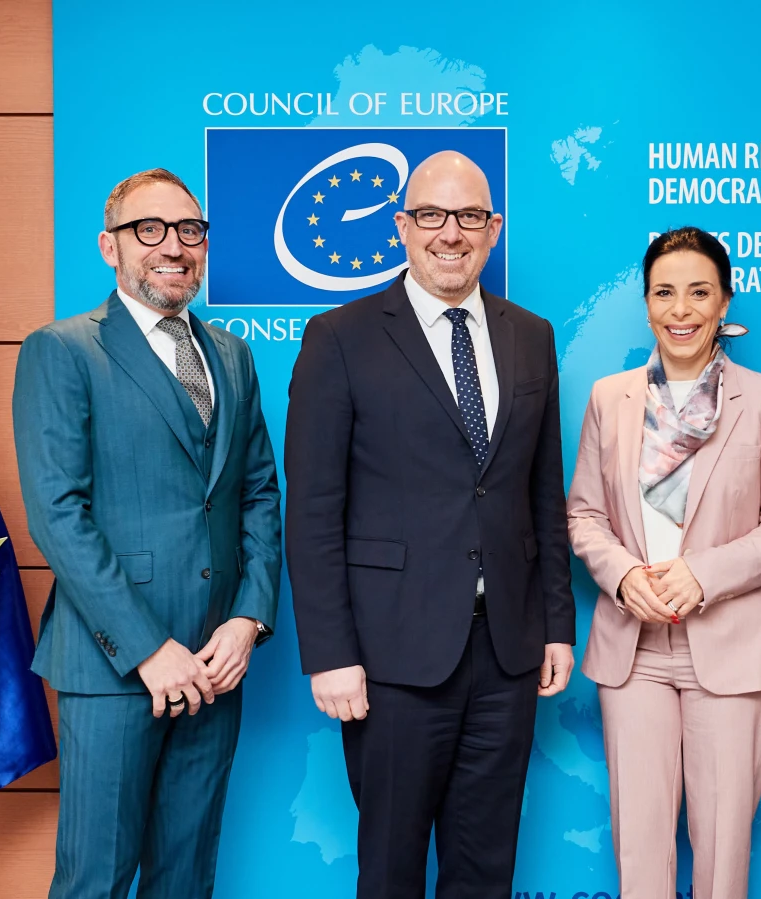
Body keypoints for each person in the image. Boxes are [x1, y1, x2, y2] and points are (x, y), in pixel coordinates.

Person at [283, 150, 575, 899]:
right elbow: (312, 511)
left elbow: (542, 494)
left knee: (485, 872)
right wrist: (330, 653)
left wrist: (555, 626)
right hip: (389, 660)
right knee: (391, 869)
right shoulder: (339, 337)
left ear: (494, 228)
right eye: (433, 216)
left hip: (506, 652)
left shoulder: (530, 336)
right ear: (402, 227)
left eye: (470, 216)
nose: (453, 233)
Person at [12, 168, 282, 899]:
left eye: (189, 231)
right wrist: (148, 650)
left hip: (215, 666)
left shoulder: (231, 354)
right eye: (150, 230)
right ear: (110, 247)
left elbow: (257, 493)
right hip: (113, 670)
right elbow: (58, 515)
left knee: (186, 880)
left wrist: (247, 619)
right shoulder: (62, 350)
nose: (174, 246)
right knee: (94, 881)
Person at [567, 227, 761, 899]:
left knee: (723, 851)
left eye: (699, 292)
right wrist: (620, 574)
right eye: (665, 292)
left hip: (728, 648)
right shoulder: (609, 398)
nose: (681, 309)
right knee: (638, 851)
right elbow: (583, 513)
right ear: (646, 302)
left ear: (725, 301)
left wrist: (704, 573)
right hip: (634, 649)